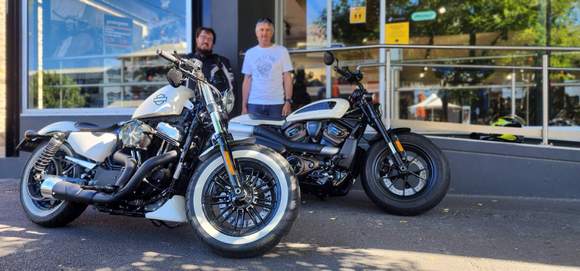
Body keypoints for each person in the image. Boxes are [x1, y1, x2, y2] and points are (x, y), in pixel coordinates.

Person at [241, 18, 293, 120]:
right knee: (254, 135)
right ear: (256, 33)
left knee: (276, 135)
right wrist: (244, 105)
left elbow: (287, 78)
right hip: (254, 104)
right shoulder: (250, 53)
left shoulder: (282, 51)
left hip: (277, 104)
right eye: (261, 30)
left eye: (268, 30)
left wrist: (288, 101)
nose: (264, 33)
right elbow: (247, 80)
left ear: (272, 33)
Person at [187, 27, 236, 113]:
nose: (206, 41)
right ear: (196, 39)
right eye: (203, 37)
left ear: (213, 43)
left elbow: (231, 89)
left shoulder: (221, 62)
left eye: (209, 39)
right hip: (188, 111)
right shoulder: (186, 60)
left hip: (214, 112)